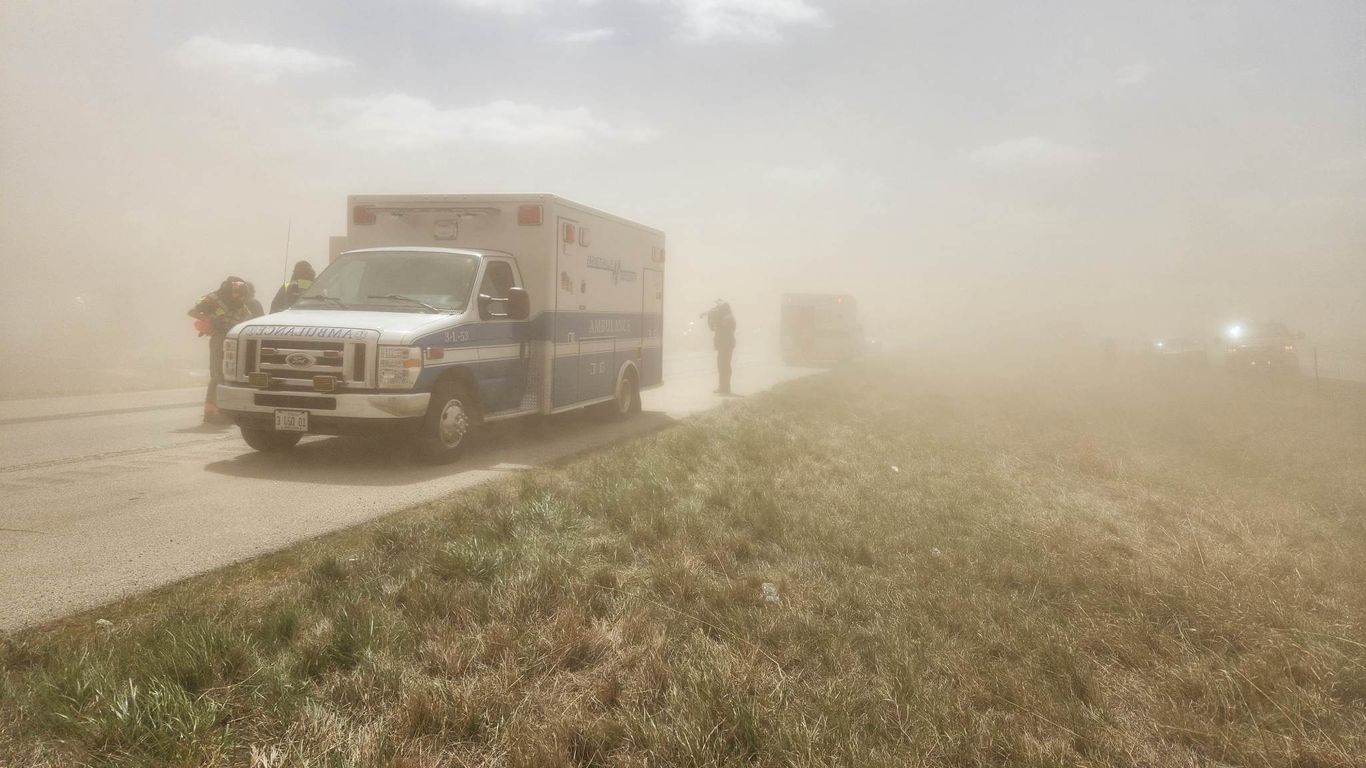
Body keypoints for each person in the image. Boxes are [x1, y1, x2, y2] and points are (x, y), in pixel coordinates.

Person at [188, 277, 254, 423]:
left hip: (233, 341)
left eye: (242, 295)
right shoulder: (215, 300)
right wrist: (211, 320)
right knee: (218, 374)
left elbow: (248, 322)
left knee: (225, 375)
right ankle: (213, 412)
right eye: (237, 294)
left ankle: (218, 411)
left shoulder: (243, 308)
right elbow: (193, 312)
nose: (239, 297)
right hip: (219, 339)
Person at [704, 300, 737, 395]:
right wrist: (710, 318)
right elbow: (713, 328)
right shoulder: (724, 317)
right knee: (721, 366)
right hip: (723, 345)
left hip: (726, 345)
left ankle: (725, 388)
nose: (718, 310)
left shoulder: (728, 318)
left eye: (719, 308)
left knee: (724, 366)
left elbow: (722, 327)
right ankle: (723, 387)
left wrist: (714, 317)